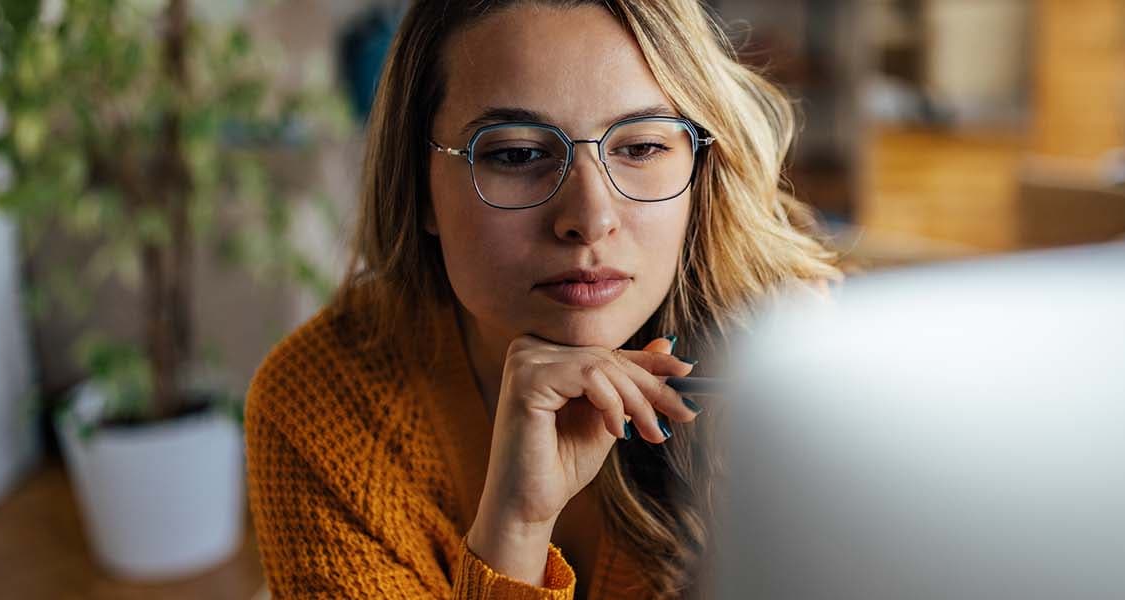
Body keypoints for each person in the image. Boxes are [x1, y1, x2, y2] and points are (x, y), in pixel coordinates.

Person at [244, 0, 841, 598]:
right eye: (518, 154)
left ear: (699, 163)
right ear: (420, 184)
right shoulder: (323, 408)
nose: (590, 217)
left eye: (640, 148)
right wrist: (515, 530)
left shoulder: (798, 360)